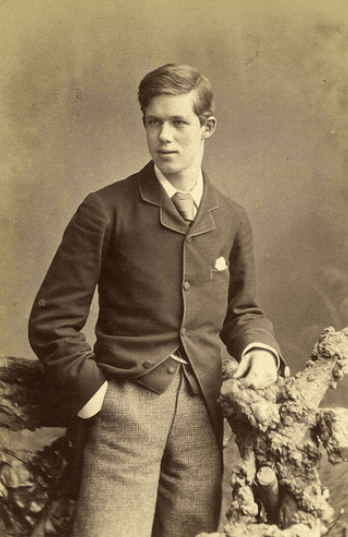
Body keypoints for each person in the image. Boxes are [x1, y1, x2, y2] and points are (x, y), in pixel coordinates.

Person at [28, 63, 285, 537]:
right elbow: (52, 322)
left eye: (179, 123)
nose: (164, 136)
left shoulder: (230, 217)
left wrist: (259, 350)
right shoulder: (106, 208)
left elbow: (243, 311)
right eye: (153, 122)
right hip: (122, 407)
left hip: (201, 415)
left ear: (207, 127)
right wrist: (96, 397)